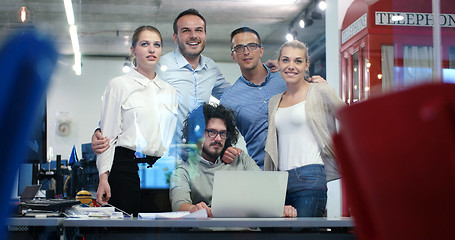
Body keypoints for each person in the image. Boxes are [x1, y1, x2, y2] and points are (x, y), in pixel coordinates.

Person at [92, 8, 240, 163]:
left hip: (200, 157)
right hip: (167, 158)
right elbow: (124, 98)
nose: (193, 35)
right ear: (175, 37)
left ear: (205, 35)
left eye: (199, 30)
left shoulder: (211, 67)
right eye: (186, 31)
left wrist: (264, 73)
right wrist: (100, 130)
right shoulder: (160, 66)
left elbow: (234, 97)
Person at [95, 26, 178, 216]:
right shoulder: (118, 85)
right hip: (125, 167)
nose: (151, 49)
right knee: (125, 230)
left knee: (158, 230)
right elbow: (108, 136)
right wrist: (103, 178)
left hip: (160, 170)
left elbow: (169, 138)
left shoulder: (170, 91)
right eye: (145, 44)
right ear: (133, 50)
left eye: (156, 45)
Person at [219, 27, 326, 169]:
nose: (246, 52)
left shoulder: (286, 78)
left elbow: (318, 108)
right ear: (233, 56)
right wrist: (225, 152)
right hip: (263, 172)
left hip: (303, 168)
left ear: (261, 50)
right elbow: (222, 139)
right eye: (239, 48)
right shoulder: (229, 99)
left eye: (252, 46)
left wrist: (323, 90)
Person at [169, 103, 297, 218]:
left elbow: (265, 193)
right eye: (211, 132)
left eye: (222, 133)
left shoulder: (241, 159)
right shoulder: (183, 170)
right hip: (209, 233)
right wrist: (193, 208)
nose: (218, 138)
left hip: (247, 232)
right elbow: (178, 204)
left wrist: (281, 209)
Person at [264, 40, 345, 217]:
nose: (291, 66)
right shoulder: (274, 101)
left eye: (298, 61)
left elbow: (350, 118)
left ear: (307, 64)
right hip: (280, 180)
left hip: (310, 177)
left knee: (304, 236)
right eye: (285, 60)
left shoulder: (319, 91)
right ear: (278, 63)